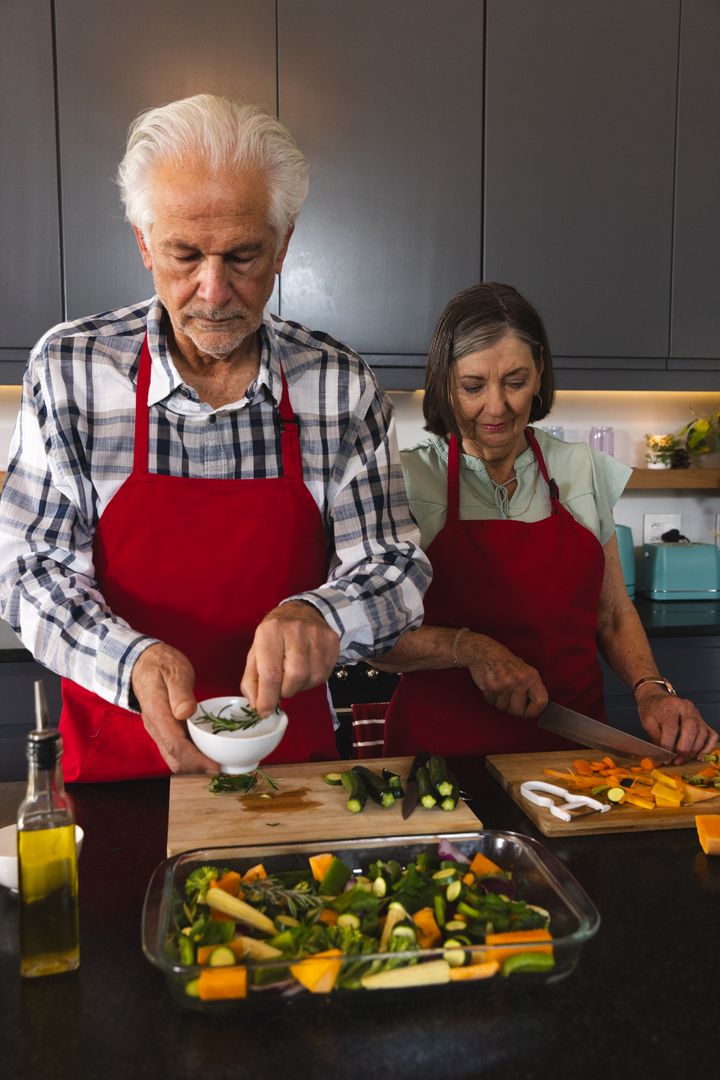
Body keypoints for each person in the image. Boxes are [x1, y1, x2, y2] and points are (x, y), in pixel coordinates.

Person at [0, 94, 431, 782]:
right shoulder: (72, 371)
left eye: (243, 255)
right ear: (144, 242)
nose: (213, 290)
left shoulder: (339, 385)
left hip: (293, 779)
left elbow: (395, 567)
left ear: (285, 242)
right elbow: (30, 572)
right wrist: (131, 658)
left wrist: (323, 613)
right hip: (123, 774)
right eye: (183, 254)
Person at [374, 282, 717, 763]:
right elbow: (372, 635)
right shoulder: (405, 481)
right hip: (439, 757)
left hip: (570, 754)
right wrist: (469, 648)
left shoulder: (581, 469)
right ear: (445, 383)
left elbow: (612, 612)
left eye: (515, 382)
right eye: (473, 386)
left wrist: (651, 689)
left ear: (539, 375)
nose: (496, 408)